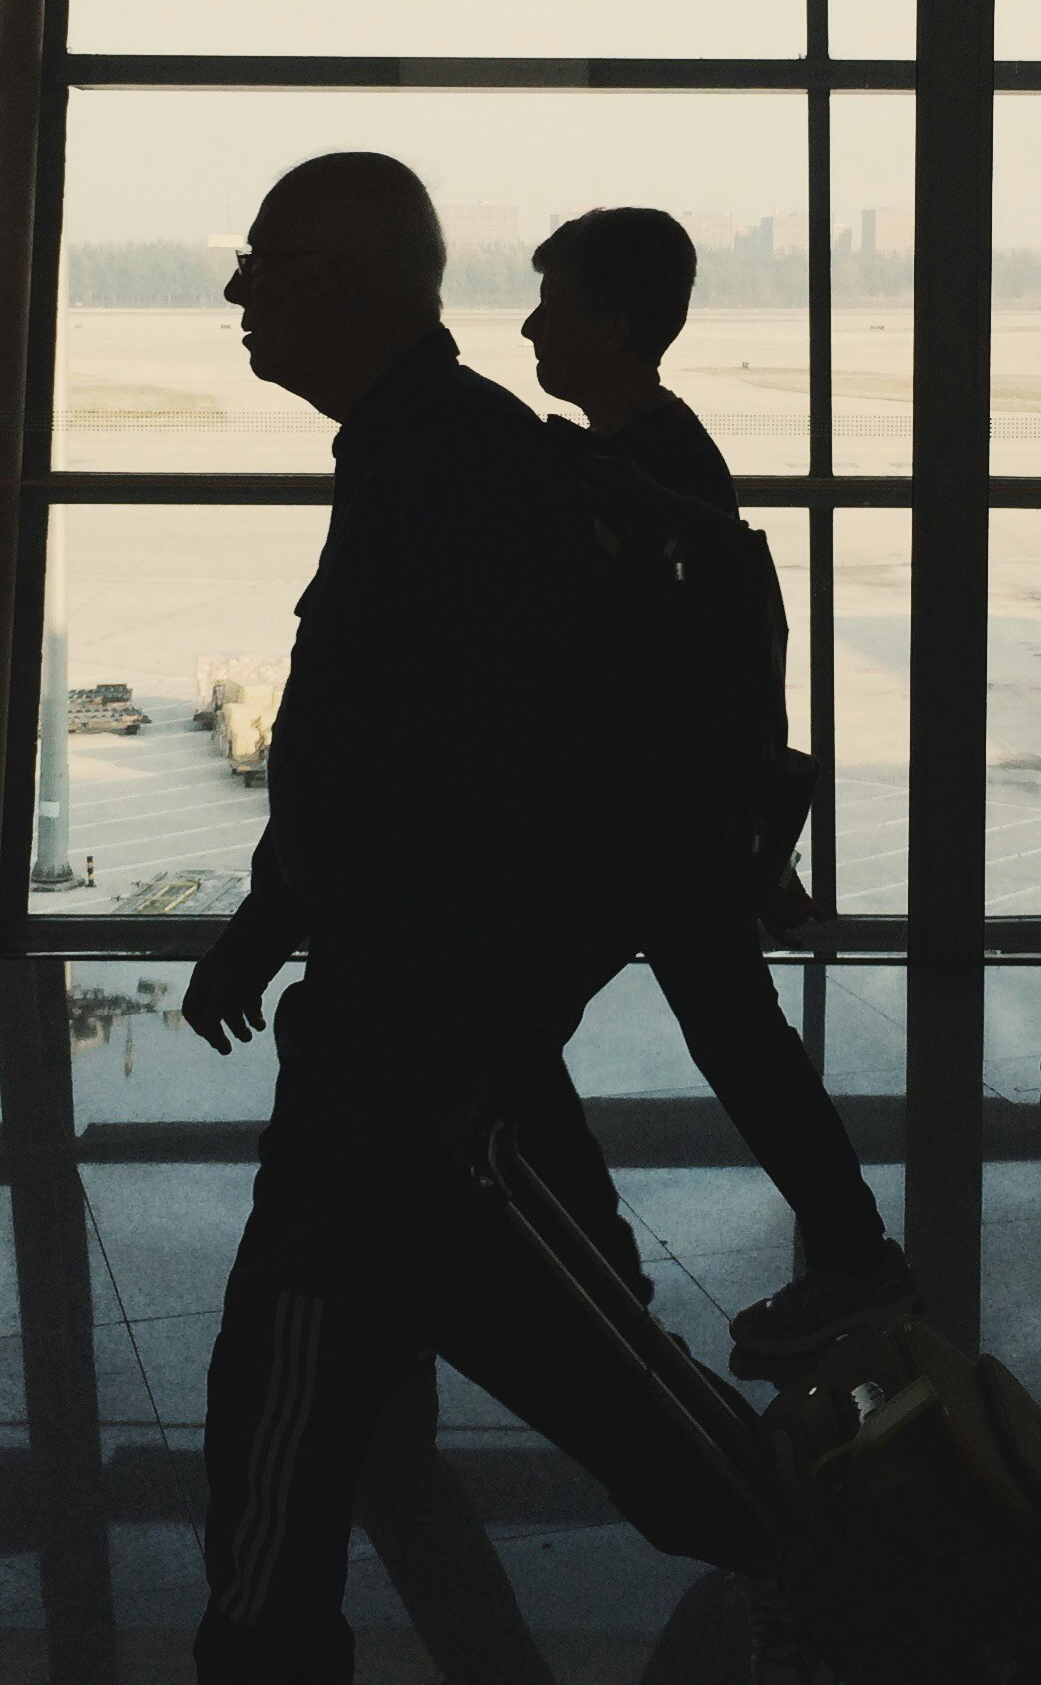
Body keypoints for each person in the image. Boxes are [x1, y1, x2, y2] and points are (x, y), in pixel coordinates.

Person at [175, 156, 771, 1683]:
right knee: (550, 1363)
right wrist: (270, 919)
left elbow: (472, 782)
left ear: (346, 287)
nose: (238, 290)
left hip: (405, 1056)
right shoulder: (427, 454)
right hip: (426, 1041)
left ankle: (830, 1538)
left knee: (299, 1381)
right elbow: (384, 751)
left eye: (263, 262)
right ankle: (808, 1533)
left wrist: (437, 1038)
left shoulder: (451, 475)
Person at [521, 207, 917, 1357]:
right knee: (736, 1039)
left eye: (554, 301)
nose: (532, 323)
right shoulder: (660, 452)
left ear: (615, 322)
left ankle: (602, 1272)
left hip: (641, 828)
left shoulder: (635, 471)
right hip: (671, 825)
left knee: (507, 1028)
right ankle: (849, 1259)